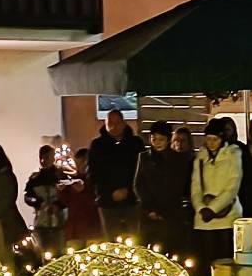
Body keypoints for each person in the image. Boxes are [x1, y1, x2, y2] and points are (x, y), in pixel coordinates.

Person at [191, 116, 244, 276]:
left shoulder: (233, 155)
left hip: (227, 215)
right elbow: (195, 185)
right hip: (204, 218)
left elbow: (232, 185)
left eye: (215, 139)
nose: (211, 143)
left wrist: (214, 208)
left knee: (225, 261)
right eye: (208, 139)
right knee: (206, 261)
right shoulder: (200, 158)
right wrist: (200, 207)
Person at [133, 122, 194, 257]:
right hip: (148, 213)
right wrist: (149, 207)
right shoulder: (144, 157)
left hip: (171, 212)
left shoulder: (178, 159)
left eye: (161, 139)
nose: (157, 143)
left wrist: (165, 208)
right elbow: (139, 184)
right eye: (154, 139)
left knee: (172, 251)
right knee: (147, 252)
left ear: (168, 139)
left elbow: (179, 185)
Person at [88, 110, 145, 241]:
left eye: (117, 123)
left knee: (134, 239)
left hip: (132, 201)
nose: (114, 127)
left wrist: (129, 191)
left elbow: (141, 171)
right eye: (110, 123)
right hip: (108, 203)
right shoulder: (97, 146)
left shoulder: (135, 143)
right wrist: (109, 193)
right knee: (111, 241)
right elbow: (93, 174)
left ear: (124, 123)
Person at [25, 146, 69, 258]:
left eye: (47, 157)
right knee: (44, 254)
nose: (44, 160)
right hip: (41, 223)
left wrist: (58, 206)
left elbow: (69, 196)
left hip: (60, 222)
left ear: (53, 158)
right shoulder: (34, 179)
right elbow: (28, 197)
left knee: (61, 255)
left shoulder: (62, 176)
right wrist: (40, 203)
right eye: (42, 157)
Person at [61, 148, 102, 248]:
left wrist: (83, 191)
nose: (79, 166)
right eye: (77, 164)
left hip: (91, 227)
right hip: (75, 229)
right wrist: (62, 191)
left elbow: (96, 200)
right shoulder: (73, 180)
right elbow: (66, 202)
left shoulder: (95, 179)